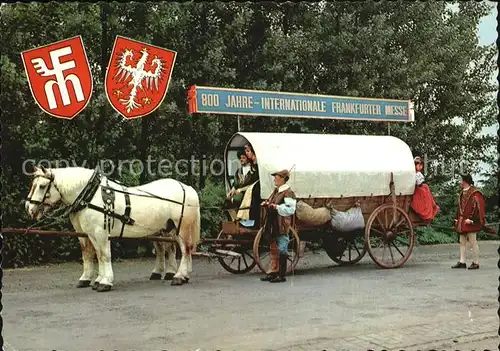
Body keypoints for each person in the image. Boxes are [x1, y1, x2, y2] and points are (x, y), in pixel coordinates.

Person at [260, 169, 296, 283]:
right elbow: (271, 201)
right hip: (273, 222)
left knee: (282, 248)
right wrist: (267, 203)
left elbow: (291, 209)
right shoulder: (276, 191)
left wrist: (276, 207)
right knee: (273, 247)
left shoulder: (288, 193)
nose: (275, 179)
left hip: (281, 223)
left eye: (277, 177)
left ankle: (281, 275)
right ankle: (273, 272)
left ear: (283, 179)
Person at [451, 174, 493, 270]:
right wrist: (457, 218)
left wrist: (473, 220)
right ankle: (462, 262)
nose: (460, 182)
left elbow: (479, 208)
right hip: (462, 221)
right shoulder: (462, 193)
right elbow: (460, 207)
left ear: (465, 181)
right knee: (462, 241)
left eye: (461, 180)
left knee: (473, 242)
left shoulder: (476, 193)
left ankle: (476, 262)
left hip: (471, 221)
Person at [410, 156, 439, 222]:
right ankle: (431, 206)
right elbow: (419, 184)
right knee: (425, 187)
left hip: (413, 189)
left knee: (425, 187)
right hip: (416, 191)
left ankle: (432, 204)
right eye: (419, 165)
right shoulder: (417, 174)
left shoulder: (412, 173)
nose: (421, 167)